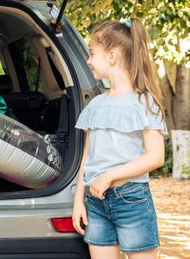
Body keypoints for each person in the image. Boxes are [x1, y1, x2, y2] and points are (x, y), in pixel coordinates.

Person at [71, 18, 167, 259]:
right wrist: (78, 201)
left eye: (92, 54)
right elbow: (87, 158)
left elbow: (156, 156)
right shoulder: (96, 105)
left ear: (111, 56)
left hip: (131, 199)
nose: (88, 60)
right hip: (95, 202)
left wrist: (109, 175)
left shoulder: (144, 102)